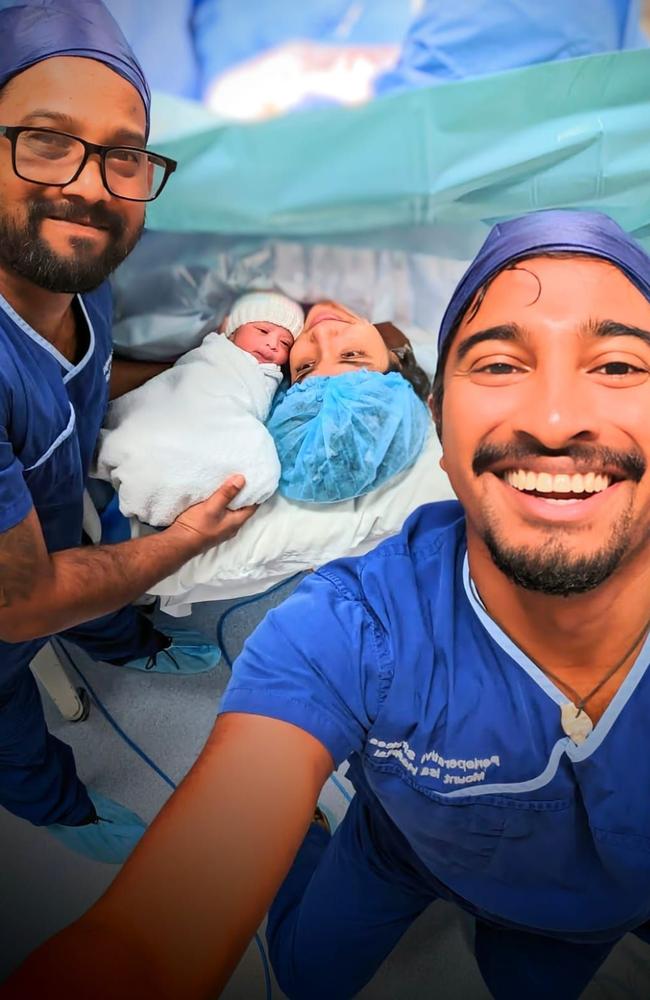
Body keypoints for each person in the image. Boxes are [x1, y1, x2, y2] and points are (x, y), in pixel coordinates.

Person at [8, 208, 650, 1000]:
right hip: (393, 852)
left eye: (619, 365)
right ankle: (305, 845)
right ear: (442, 432)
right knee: (310, 974)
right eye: (498, 366)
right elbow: (146, 941)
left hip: (574, 924)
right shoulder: (342, 631)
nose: (557, 421)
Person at [0, 0, 255, 866]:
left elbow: (87, 378)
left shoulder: (74, 270)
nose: (88, 183)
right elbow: (20, 602)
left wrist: (211, 365)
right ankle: (52, 804)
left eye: (123, 154)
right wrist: (187, 540)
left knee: (85, 556)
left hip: (52, 518)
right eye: (44, 138)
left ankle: (118, 634)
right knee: (8, 706)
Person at [95, 292, 304, 525]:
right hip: (187, 401)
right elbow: (185, 381)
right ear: (232, 331)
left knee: (260, 462)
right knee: (149, 432)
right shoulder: (216, 351)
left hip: (223, 419)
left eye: (285, 343)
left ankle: (176, 483)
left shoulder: (272, 377)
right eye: (262, 331)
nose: (272, 344)